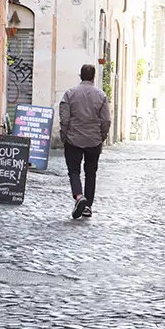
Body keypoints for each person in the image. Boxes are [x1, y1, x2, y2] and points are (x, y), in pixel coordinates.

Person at [59, 64, 111, 219]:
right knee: (91, 173)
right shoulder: (101, 96)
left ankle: (78, 196)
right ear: (93, 77)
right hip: (93, 140)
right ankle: (87, 206)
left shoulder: (70, 94)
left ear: (80, 76)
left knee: (74, 171)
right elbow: (106, 120)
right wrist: (101, 136)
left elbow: (64, 119)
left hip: (73, 139)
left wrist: (65, 135)